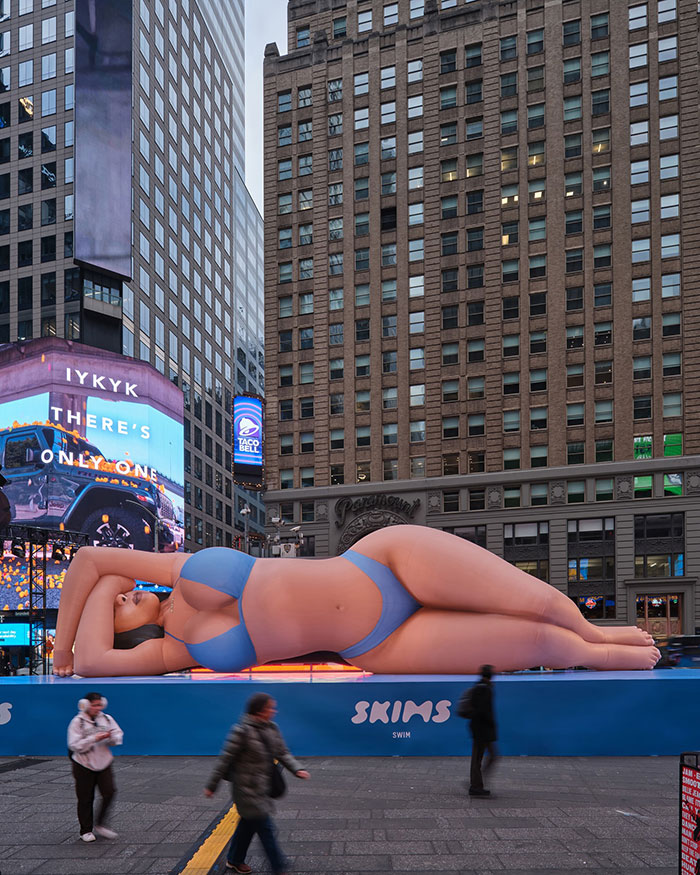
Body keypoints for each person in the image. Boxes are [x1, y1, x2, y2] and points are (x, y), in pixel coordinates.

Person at [52, 525, 660, 678]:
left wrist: (98, 598)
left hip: (384, 561)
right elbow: (92, 663)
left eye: (124, 590)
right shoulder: (174, 653)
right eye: (122, 606)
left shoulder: (181, 575)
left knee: (540, 601)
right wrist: (77, 642)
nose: (128, 591)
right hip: (377, 646)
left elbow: (91, 563)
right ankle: (607, 652)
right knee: (540, 643)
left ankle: (606, 634)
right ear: (128, 633)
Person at [204, 693, 310, 875]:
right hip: (245, 789)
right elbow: (224, 761)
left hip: (263, 786)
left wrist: (296, 769)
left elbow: (282, 752)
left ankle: (234, 859)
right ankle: (279, 867)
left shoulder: (272, 728)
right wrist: (211, 786)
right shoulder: (241, 732)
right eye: (270, 708)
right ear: (259, 711)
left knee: (247, 824)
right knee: (265, 827)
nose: (274, 711)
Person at [67, 691, 124, 842]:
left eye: (100, 704)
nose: (98, 708)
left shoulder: (106, 718)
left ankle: (100, 824)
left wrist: (112, 737)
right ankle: (85, 830)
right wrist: (94, 738)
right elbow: (74, 745)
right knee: (85, 797)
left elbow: (118, 735)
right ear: (85, 705)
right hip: (83, 764)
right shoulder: (77, 722)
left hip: (103, 761)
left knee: (109, 792)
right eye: (94, 705)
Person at [467, 665, 498, 797]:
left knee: (479, 758)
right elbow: (485, 711)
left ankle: (476, 783)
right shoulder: (485, 690)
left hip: (478, 729)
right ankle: (476, 785)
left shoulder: (478, 687)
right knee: (483, 757)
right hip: (483, 730)